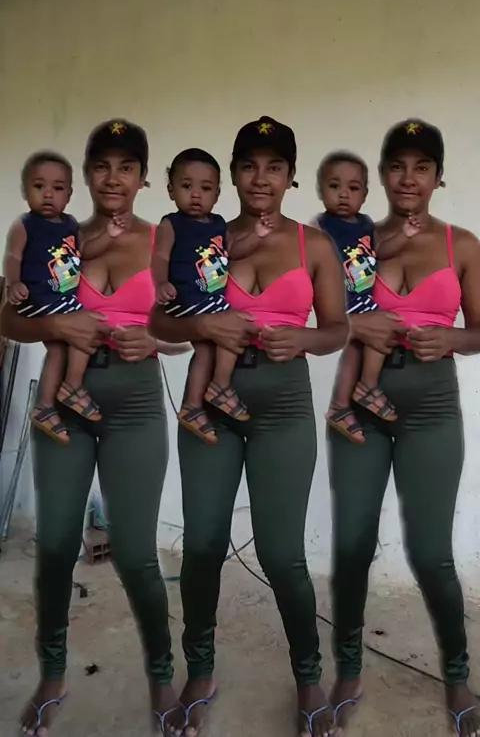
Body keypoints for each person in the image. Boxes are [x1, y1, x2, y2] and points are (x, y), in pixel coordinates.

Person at [150, 115, 348, 737]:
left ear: (292, 176)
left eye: (274, 167)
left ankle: (308, 676)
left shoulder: (315, 246)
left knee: (282, 555)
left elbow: (337, 328)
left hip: (282, 408)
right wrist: (200, 325)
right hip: (210, 407)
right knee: (203, 546)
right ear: (233, 173)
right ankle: (200, 671)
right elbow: (160, 321)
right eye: (248, 166)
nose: (261, 178)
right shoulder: (202, 234)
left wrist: (304, 339)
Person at [0, 119, 189, 737]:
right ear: (86, 175)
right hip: (63, 406)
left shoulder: (165, 240)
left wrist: (156, 340)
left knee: (135, 553)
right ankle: (53, 674)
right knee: (57, 545)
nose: (113, 178)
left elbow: (195, 326)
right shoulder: (58, 235)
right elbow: (11, 319)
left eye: (126, 167)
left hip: (135, 406)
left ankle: (161, 675)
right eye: (102, 166)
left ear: (142, 177)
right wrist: (55, 325)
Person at [328, 119, 480, 737]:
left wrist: (453, 339)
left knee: (432, 553)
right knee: (352, 547)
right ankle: (347, 670)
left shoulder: (462, 245)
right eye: (397, 166)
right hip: (361, 407)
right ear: (383, 175)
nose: (408, 178)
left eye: (422, 167)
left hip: (432, 409)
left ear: (438, 177)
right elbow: (318, 318)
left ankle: (457, 675)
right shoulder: (354, 238)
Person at [3, 150, 128, 444]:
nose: (48, 194)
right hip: (38, 297)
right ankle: (69, 388)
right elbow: (12, 256)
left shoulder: (71, 225)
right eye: (39, 186)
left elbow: (86, 251)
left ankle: (49, 403)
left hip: (62, 300)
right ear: (24, 190)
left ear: (69, 194)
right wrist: (14, 283)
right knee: (81, 330)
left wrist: (108, 234)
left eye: (58, 188)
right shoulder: (26, 225)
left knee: (68, 344)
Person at [152, 146, 274, 444]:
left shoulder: (219, 224)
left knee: (226, 337)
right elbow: (160, 257)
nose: (196, 195)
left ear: (217, 194)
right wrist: (161, 284)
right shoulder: (172, 224)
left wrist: (256, 236)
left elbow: (233, 252)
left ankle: (207, 396)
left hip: (211, 299)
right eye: (186, 186)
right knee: (218, 341)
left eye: (205, 189)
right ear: (171, 190)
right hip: (186, 297)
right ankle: (208, 396)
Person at [312, 151, 422, 444]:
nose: (344, 194)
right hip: (343, 299)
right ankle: (367, 387)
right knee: (378, 332)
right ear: (320, 191)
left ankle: (342, 404)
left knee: (364, 344)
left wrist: (404, 235)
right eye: (334, 186)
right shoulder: (321, 227)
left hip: (365, 296)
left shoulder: (365, 225)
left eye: (353, 188)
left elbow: (380, 252)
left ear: (364, 194)